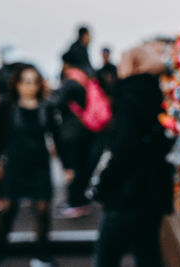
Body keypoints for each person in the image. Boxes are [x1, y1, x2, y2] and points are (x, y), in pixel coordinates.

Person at [94, 44, 174, 267]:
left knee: (106, 255)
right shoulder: (151, 92)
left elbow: (123, 148)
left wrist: (105, 182)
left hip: (127, 193)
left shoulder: (130, 96)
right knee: (147, 252)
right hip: (151, 191)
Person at [0, 64, 67, 265]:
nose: (29, 86)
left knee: (42, 209)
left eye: (33, 82)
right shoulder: (7, 107)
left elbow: (57, 136)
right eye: (25, 82)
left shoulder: (47, 107)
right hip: (15, 163)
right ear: (17, 84)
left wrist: (67, 165)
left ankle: (43, 252)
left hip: (39, 163)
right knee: (9, 208)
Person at [52, 49, 111, 218]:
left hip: (73, 132)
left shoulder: (71, 81)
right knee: (83, 168)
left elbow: (59, 105)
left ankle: (75, 202)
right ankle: (82, 201)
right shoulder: (87, 78)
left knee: (74, 169)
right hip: (88, 129)